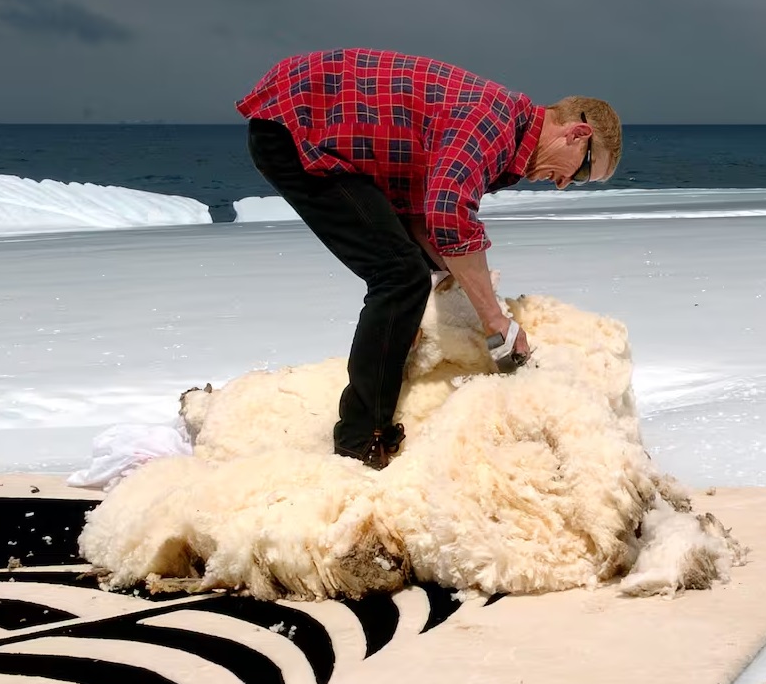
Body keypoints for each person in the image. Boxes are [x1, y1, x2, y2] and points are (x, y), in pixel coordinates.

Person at [235, 47, 622, 470]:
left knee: (414, 275)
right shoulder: (493, 123)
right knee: (400, 277)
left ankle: (378, 404)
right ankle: (359, 443)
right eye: (582, 173)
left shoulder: (507, 131)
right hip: (297, 124)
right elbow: (448, 211)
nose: (566, 185)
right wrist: (494, 318)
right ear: (577, 134)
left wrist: (444, 279)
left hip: (325, 132)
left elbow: (422, 212)